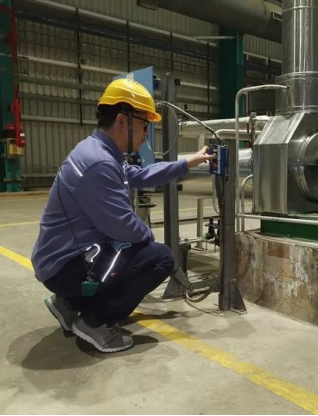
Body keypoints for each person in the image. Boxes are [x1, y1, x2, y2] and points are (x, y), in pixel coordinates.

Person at [31, 78, 213, 353]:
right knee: (158, 258)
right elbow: (125, 227)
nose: (146, 134)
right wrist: (147, 239)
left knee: (134, 249)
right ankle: (95, 322)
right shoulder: (100, 163)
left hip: (62, 256)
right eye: (144, 125)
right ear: (122, 121)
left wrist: (188, 162)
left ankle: (68, 304)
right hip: (66, 265)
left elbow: (139, 175)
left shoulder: (99, 150)